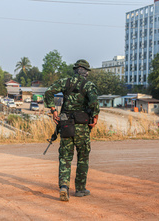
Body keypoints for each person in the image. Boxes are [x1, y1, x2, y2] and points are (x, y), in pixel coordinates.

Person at [44, 59, 100, 202]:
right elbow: (94, 103)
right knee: (83, 158)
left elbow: (49, 92)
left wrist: (53, 111)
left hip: (66, 125)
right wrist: (95, 117)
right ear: (86, 72)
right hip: (82, 127)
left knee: (65, 158)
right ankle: (80, 189)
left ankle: (64, 187)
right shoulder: (89, 85)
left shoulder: (65, 82)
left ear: (75, 70)